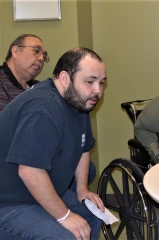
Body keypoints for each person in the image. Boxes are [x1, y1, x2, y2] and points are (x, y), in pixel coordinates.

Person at [0, 47, 106, 239]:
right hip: (10, 202)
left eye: (101, 83)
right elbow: (29, 171)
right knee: (64, 236)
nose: (97, 91)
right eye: (90, 82)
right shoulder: (43, 109)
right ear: (65, 78)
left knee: (93, 216)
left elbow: (83, 148)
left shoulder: (79, 102)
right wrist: (64, 216)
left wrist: (82, 189)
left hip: (37, 192)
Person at [0, 34, 96, 192]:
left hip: (44, 150)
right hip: (12, 159)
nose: (40, 59)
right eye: (36, 51)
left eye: (44, 56)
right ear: (15, 51)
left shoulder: (40, 88)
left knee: (87, 169)